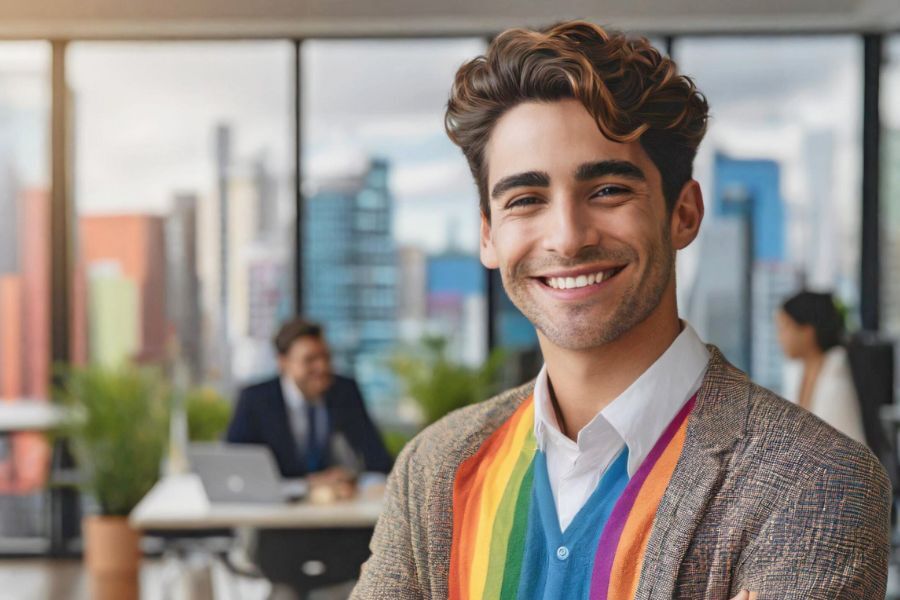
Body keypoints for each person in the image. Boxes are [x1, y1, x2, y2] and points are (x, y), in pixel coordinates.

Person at [351, 21, 889, 599]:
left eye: (607, 190)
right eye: (526, 200)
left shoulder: (812, 481)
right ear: (488, 236)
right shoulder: (434, 468)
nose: (567, 237)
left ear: (683, 213)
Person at [226, 318, 392, 486]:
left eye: (326, 357)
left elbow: (378, 461)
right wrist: (307, 484)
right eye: (310, 359)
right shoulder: (255, 399)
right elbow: (235, 467)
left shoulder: (345, 392)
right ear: (283, 362)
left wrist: (352, 479)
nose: (322, 367)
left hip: (336, 504)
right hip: (277, 505)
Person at [776, 291, 866, 444]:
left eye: (784, 328)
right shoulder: (797, 373)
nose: (780, 337)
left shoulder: (838, 380)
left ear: (807, 331)